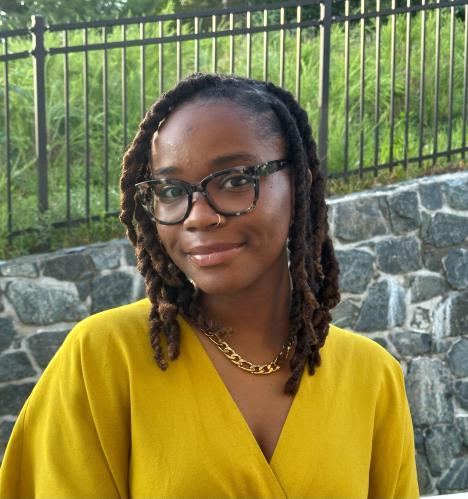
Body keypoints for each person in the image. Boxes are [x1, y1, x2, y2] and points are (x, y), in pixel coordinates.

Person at [0, 73, 419, 498]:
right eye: (170, 190)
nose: (198, 216)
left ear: (300, 184)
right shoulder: (103, 360)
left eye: (235, 180)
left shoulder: (372, 377)